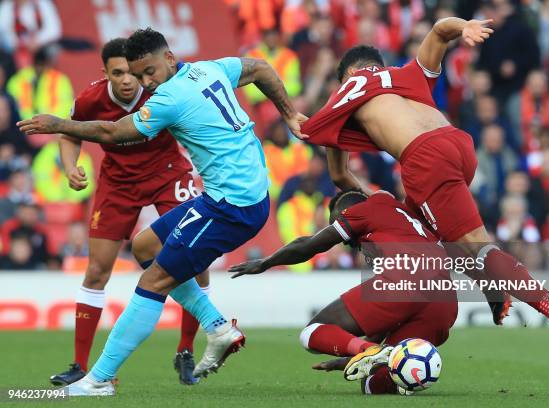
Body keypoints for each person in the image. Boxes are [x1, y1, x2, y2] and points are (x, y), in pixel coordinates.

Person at [18, 27, 306, 396]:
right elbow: (261, 68)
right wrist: (290, 114)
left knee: (153, 282)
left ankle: (100, 379)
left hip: (231, 207)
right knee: (144, 247)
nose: (144, 81)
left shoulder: (169, 98)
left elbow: (112, 133)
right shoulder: (210, 68)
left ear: (169, 59)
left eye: (148, 72)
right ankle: (216, 326)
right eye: (138, 75)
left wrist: (59, 124)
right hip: (230, 196)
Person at [300, 16, 549, 365]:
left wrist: (370, 204)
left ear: (349, 76)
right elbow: (440, 30)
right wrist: (465, 27)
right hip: (458, 146)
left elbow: (340, 175)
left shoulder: (350, 91)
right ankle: (490, 285)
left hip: (423, 159)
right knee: (428, 235)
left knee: (477, 247)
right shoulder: (404, 74)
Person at [48, 38, 205, 387]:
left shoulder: (161, 87)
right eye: (117, 73)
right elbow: (69, 132)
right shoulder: (90, 99)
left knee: (197, 259)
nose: (128, 80)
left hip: (168, 175)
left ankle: (185, 350)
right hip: (117, 184)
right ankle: (79, 364)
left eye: (132, 73)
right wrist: (70, 166)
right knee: (97, 271)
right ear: (104, 73)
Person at [230, 189, 457, 395]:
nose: (351, 245)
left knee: (311, 332)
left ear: (343, 213)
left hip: (405, 277)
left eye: (348, 239)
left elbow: (309, 245)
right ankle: (395, 366)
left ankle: (372, 351)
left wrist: (266, 263)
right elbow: (389, 316)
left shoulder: (360, 211)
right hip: (445, 301)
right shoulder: (395, 210)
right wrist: (356, 355)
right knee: (372, 385)